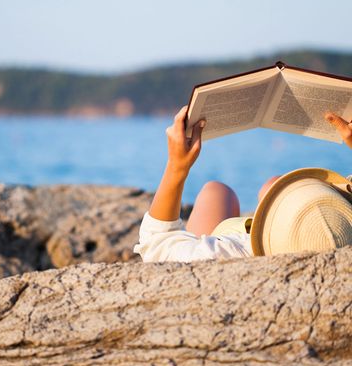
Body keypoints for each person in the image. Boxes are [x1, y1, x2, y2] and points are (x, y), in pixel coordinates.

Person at [133, 108, 352, 262]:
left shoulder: (230, 253)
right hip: (287, 238)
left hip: (247, 244)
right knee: (273, 185)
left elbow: (157, 244)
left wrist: (176, 167)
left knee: (215, 191)